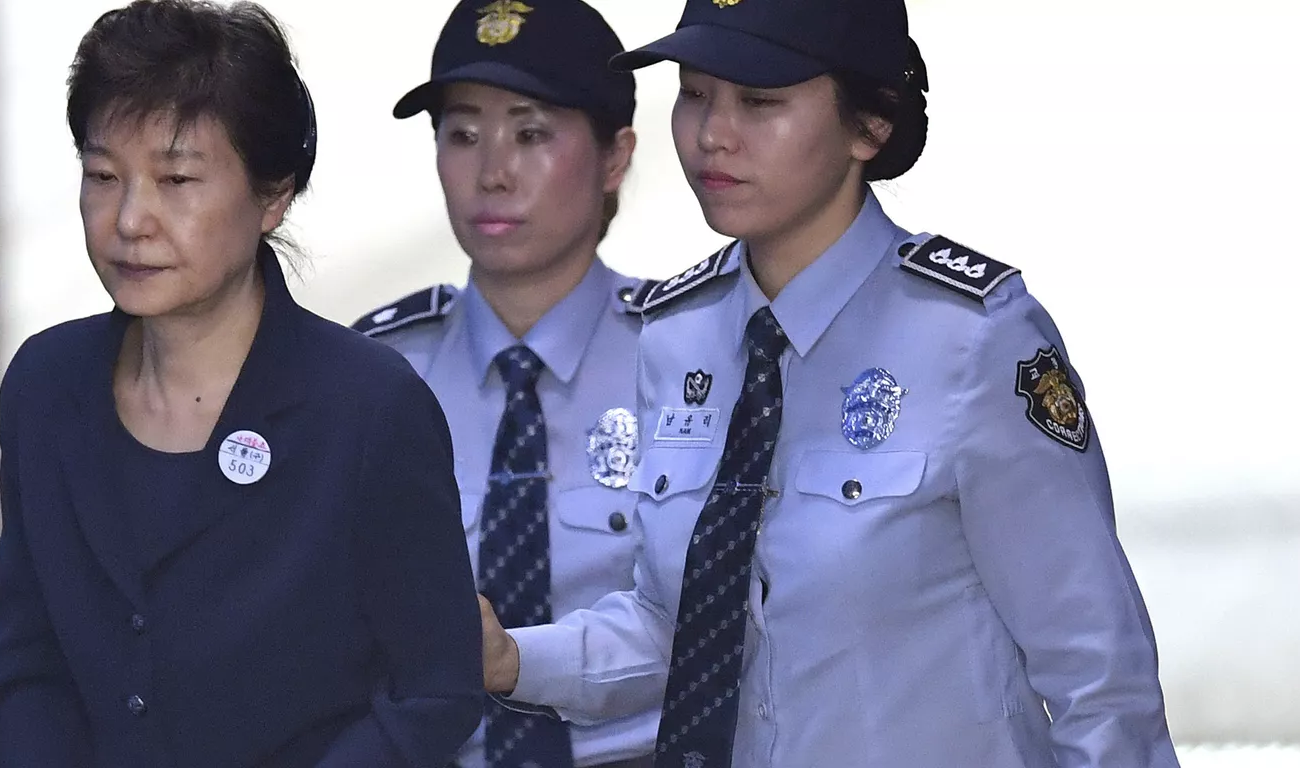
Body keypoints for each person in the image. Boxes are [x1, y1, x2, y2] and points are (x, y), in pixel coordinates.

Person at [473, 0, 1183, 766]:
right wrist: (512, 658)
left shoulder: (974, 340)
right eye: (695, 92)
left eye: (761, 100)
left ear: (868, 126)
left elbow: (1100, 684)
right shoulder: (678, 336)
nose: (713, 133)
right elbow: (679, 628)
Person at [0, 1, 483, 765]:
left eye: (177, 179)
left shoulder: (368, 407)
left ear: (272, 194)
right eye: (103, 176)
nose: (130, 220)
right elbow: (26, 665)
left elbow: (434, 691)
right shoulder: (45, 388)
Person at [352, 2, 657, 767]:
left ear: (615, 156)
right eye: (462, 135)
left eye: (530, 133)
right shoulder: (374, 373)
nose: (491, 172)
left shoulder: (691, 361)